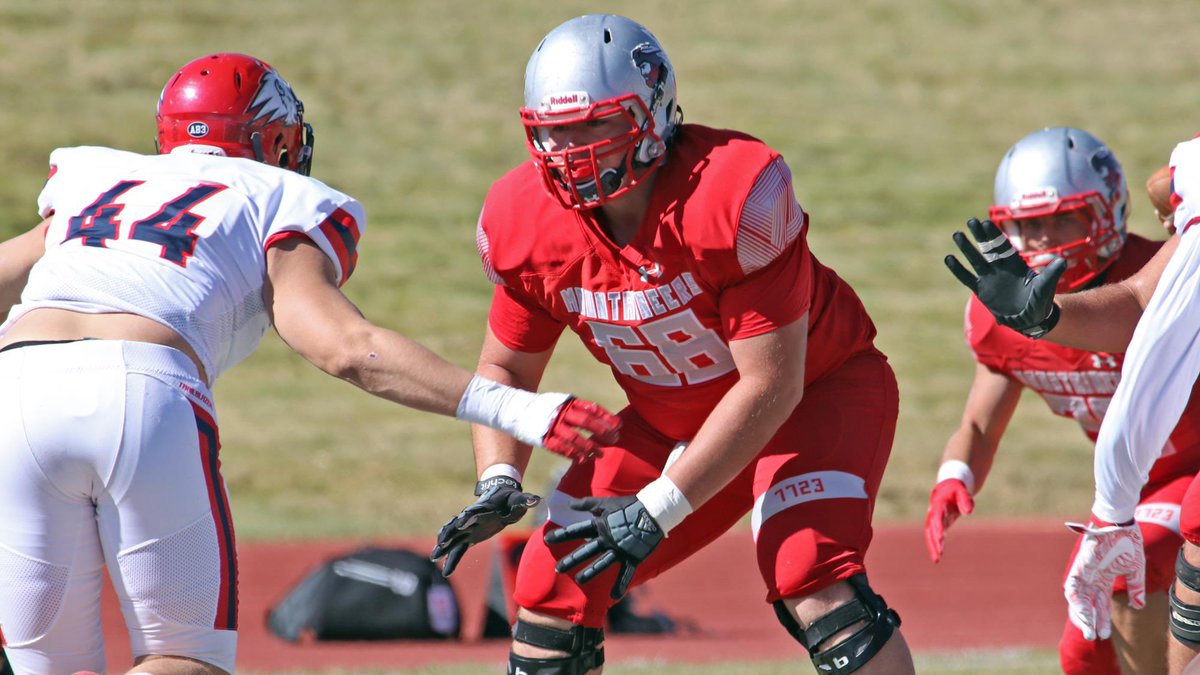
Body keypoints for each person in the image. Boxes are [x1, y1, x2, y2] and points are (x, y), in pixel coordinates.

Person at [0, 52, 621, 675]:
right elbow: (345, 346)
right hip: (139, 388)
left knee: (44, 667)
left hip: (16, 387)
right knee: (186, 658)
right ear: (272, 139)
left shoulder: (97, 180)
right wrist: (518, 408)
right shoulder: (275, 193)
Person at [430, 14, 914, 675]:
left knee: (810, 574)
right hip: (673, 418)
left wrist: (657, 507)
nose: (572, 148)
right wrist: (498, 477)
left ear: (652, 115)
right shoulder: (526, 221)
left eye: (594, 125)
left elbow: (770, 385)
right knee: (550, 582)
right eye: (555, 130)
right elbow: (506, 366)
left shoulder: (730, 193)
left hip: (814, 394)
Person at [928, 127, 1200, 674]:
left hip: (1189, 470)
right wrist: (955, 473)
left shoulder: (1155, 269)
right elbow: (980, 422)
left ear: (1105, 214)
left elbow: (1137, 296)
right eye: (1027, 226)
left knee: (1135, 569)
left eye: (1061, 219)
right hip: (1136, 480)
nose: (1044, 240)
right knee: (1083, 652)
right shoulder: (1001, 315)